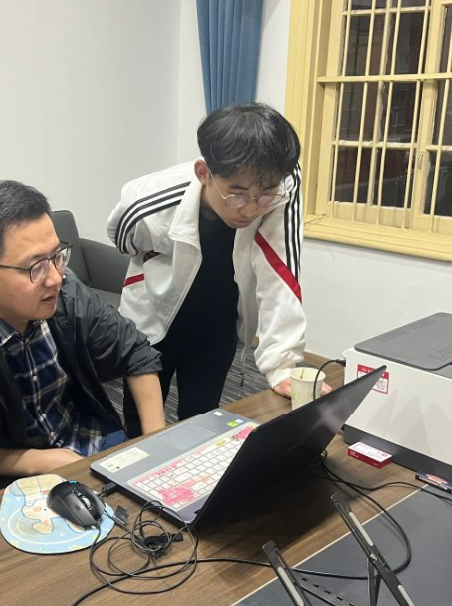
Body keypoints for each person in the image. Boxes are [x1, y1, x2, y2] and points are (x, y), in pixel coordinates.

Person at [0, 180, 165, 501]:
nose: (55, 277)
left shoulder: (65, 290)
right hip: (9, 480)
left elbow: (136, 353)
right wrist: (34, 461)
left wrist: (156, 448)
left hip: (88, 441)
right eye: (35, 266)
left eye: (57, 256)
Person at [107, 103, 329, 436]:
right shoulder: (146, 203)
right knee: (141, 424)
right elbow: (123, 241)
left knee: (202, 420)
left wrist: (282, 363)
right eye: (237, 195)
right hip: (153, 314)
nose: (250, 210)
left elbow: (281, 268)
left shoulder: (281, 184)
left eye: (263, 196)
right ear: (203, 173)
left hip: (218, 317)